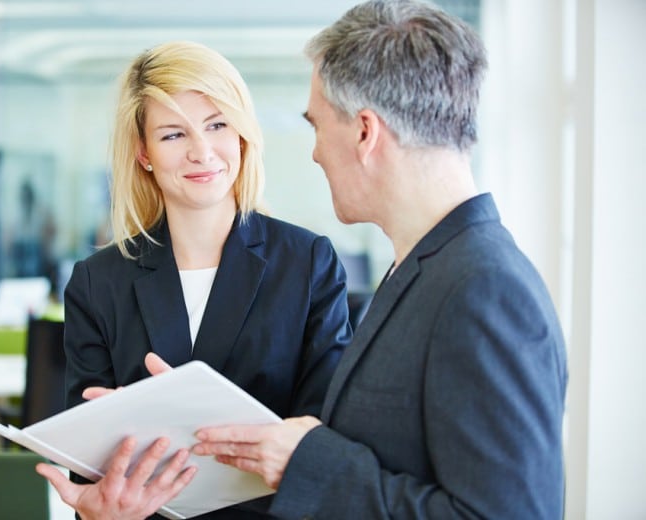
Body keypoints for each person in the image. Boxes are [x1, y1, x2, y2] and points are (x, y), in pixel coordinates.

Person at [187, 1, 569, 518]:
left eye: (317, 126)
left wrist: (307, 463)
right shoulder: (425, 268)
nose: (316, 152)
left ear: (365, 132)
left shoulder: (484, 290)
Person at [36, 40, 352, 519]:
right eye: (172, 135)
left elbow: (324, 433)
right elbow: (90, 473)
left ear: (243, 135)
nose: (202, 151)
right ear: (143, 153)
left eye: (217, 125)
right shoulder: (97, 283)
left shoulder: (307, 263)